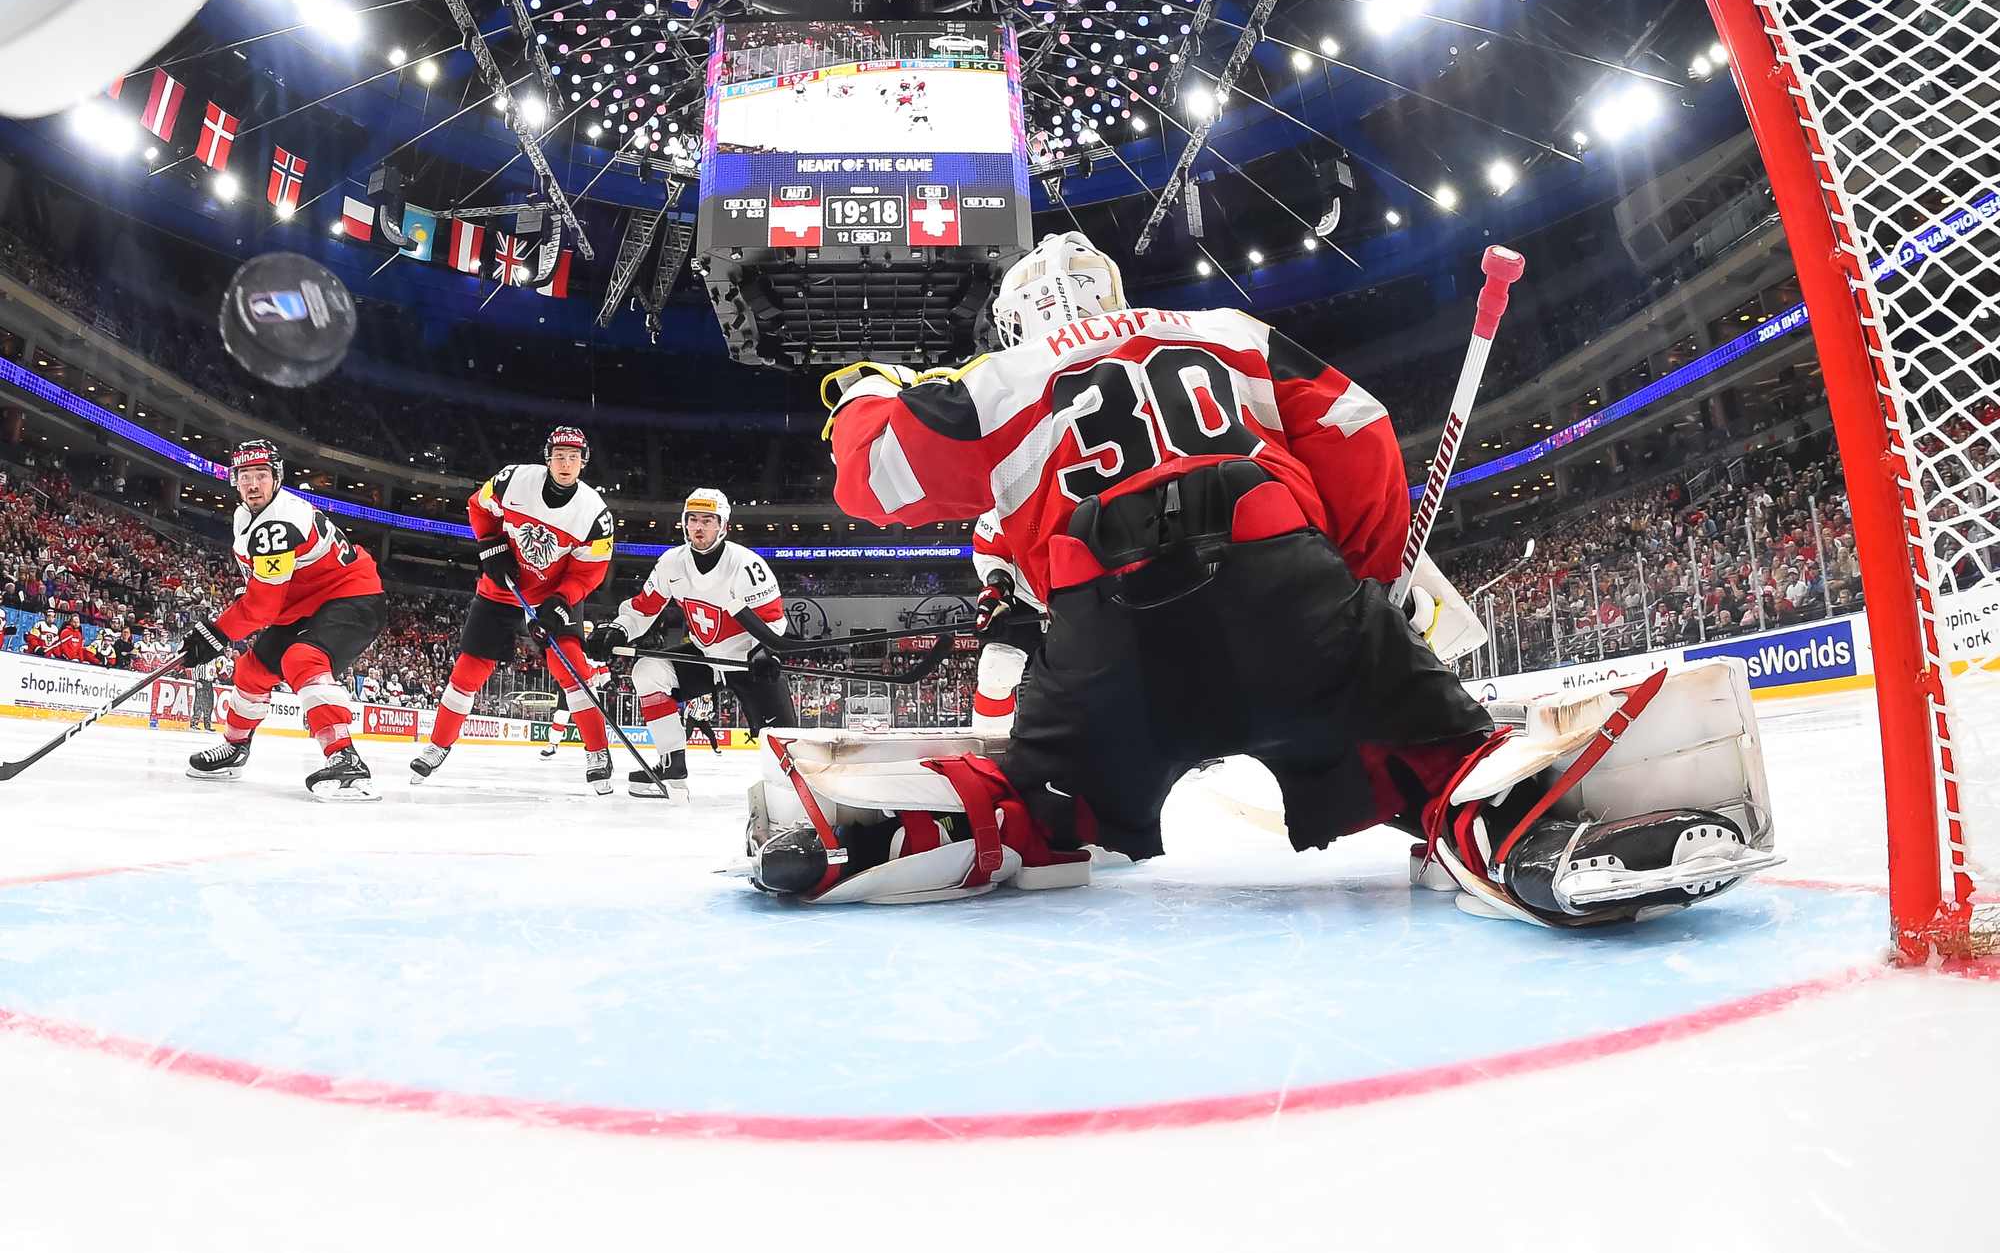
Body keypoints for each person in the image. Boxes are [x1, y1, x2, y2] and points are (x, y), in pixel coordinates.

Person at [754, 231, 1779, 924]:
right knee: (1428, 757)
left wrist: (865, 394)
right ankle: (1512, 824)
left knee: (1049, 808)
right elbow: (1359, 430)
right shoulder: (1224, 331)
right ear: (1112, 292)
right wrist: (1357, 590)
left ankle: (895, 827)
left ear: (1015, 319)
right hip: (1283, 583)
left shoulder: (997, 380)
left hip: (1110, 632)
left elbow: (875, 478)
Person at [410, 426, 618, 794]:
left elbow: (589, 572)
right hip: (503, 588)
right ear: (547, 457)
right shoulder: (513, 480)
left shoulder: (595, 515)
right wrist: (491, 545)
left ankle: (598, 752)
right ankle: (438, 745)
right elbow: (479, 506)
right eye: (559, 456)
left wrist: (560, 602)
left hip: (553, 595)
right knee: (468, 670)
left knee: (570, 667)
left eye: (573, 457)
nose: (565, 463)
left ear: (583, 462)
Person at [181, 440, 386, 799]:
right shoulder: (245, 516)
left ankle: (345, 759)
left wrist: (217, 633)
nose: (253, 484)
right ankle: (235, 747)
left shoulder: (278, 523)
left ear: (276, 478)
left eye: (261, 475)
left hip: (353, 595)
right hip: (305, 603)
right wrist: (218, 632)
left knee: (302, 659)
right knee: (252, 670)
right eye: (245, 476)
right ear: (235, 481)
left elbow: (262, 608)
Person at [584, 487, 795, 798]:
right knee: (648, 670)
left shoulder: (746, 565)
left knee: (787, 745)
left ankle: (793, 790)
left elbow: (773, 619)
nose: (698, 527)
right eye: (693, 519)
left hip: (746, 658)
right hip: (705, 656)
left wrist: (765, 650)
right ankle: (672, 766)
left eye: (707, 520)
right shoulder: (672, 563)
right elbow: (644, 608)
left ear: (723, 526)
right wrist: (618, 630)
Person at [969, 509, 1044, 738]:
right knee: (998, 664)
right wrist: (997, 587)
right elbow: (992, 552)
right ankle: (991, 742)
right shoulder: (1005, 497)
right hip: (1025, 595)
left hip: (1090, 592)